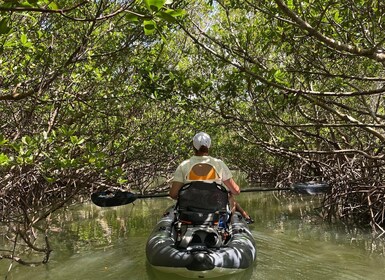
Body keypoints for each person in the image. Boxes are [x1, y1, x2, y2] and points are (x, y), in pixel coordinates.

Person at [169, 132, 254, 224]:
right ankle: (231, 226)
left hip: (189, 214)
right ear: (209, 146)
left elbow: (173, 194)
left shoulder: (183, 165)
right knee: (230, 196)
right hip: (215, 213)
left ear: (193, 147)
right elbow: (236, 191)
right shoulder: (219, 164)